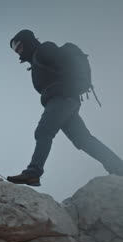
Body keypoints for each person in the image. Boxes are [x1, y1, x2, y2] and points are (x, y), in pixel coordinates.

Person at [7, 29, 123, 186]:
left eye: (18, 46)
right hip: (64, 100)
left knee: (43, 131)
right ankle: (118, 168)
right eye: (15, 50)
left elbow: (67, 64)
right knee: (83, 139)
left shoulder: (44, 49)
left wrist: (68, 90)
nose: (18, 51)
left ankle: (33, 172)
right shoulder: (35, 59)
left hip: (62, 98)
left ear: (26, 41)